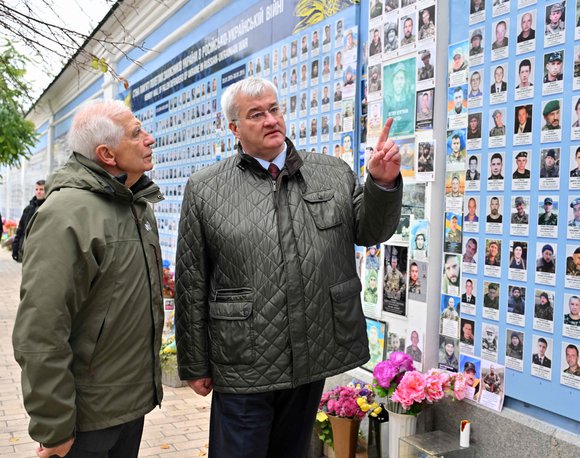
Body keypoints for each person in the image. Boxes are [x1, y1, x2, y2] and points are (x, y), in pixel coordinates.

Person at [175, 78, 402, 458]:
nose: (270, 120)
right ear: (234, 128)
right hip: (244, 360)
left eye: (274, 109)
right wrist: (195, 362)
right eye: (256, 114)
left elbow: (369, 231)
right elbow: (192, 281)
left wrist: (381, 182)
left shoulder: (331, 172)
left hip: (313, 349)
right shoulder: (206, 189)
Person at [13, 100, 165, 458]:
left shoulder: (136, 205)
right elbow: (41, 328)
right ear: (107, 154)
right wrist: (54, 426)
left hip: (128, 405)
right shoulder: (67, 214)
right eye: (137, 133)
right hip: (85, 421)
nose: (150, 139)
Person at [11, 179, 46, 262]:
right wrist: (15, 247)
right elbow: (20, 229)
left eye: (41, 189)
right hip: (27, 248)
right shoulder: (28, 209)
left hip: (42, 250)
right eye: (36, 189)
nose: (38, 192)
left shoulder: (50, 208)